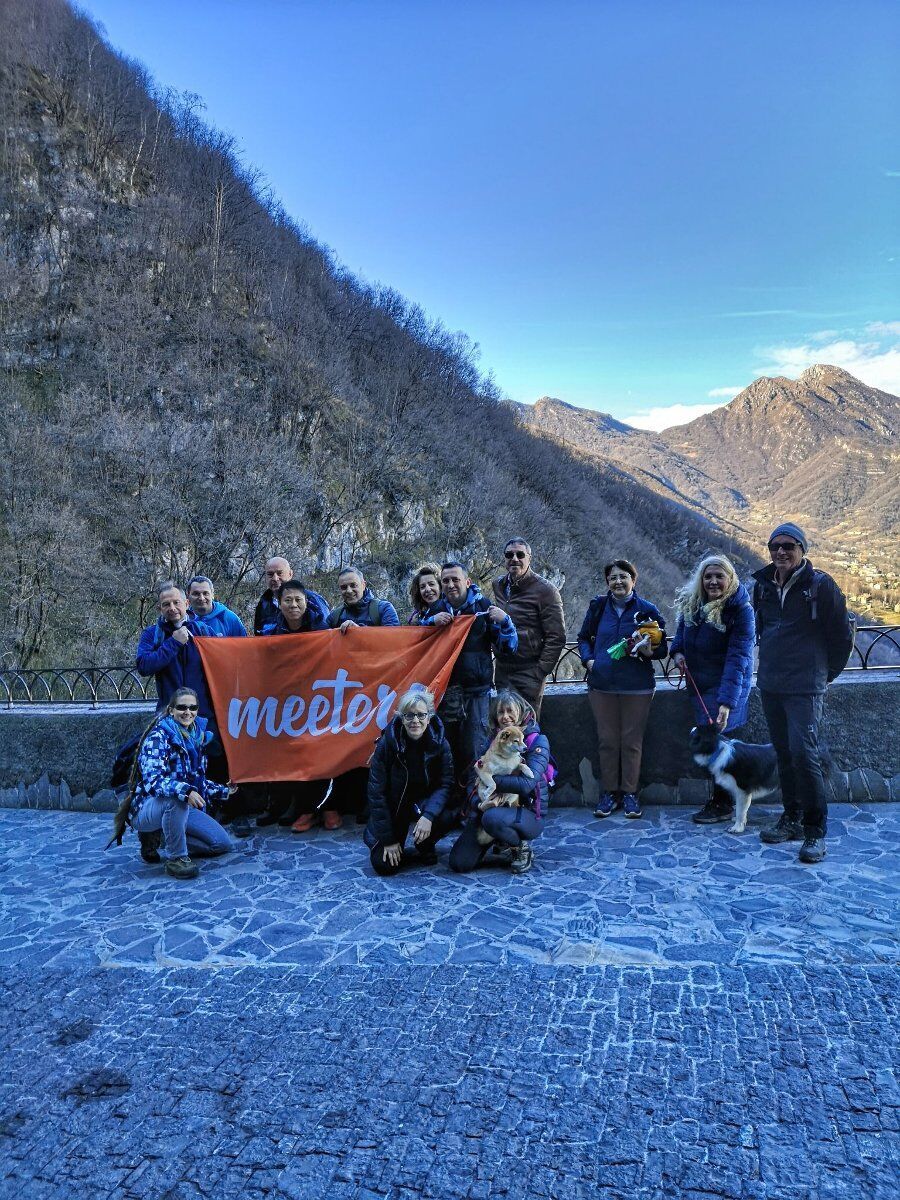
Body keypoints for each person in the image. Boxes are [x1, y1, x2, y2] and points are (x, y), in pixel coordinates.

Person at [752, 523, 853, 864]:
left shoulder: (821, 586)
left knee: (803, 754)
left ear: (802, 549)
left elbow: (842, 639)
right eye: (775, 546)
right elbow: (763, 630)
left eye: (789, 546)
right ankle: (791, 818)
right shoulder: (763, 586)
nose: (781, 551)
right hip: (771, 683)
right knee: (783, 754)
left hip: (804, 688)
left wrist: (823, 677)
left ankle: (814, 831)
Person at [577, 559, 668, 819]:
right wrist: (589, 660)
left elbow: (662, 647)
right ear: (607, 582)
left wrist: (650, 651)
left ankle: (629, 793)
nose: (618, 581)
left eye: (623, 577)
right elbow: (584, 637)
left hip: (636, 686)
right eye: (613, 578)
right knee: (607, 741)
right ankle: (609, 793)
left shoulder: (647, 610)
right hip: (602, 684)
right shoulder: (598, 607)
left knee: (631, 741)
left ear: (633, 581)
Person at [669, 555, 755, 824]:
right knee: (713, 745)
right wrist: (678, 653)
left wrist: (727, 702)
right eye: (708, 576)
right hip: (701, 685)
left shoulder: (740, 611)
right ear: (701, 580)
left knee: (724, 748)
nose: (714, 581)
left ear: (730, 579)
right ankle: (721, 801)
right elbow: (681, 634)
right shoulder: (693, 604)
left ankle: (724, 803)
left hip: (728, 686)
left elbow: (738, 658)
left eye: (720, 576)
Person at [420, 561, 518, 797]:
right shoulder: (435, 611)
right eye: (446, 581)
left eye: (455, 579)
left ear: (467, 582)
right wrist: (430, 623)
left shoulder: (483, 608)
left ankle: (475, 801)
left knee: (477, 748)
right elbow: (418, 640)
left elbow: (508, 648)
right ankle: (451, 799)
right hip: (447, 692)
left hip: (478, 690)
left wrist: (505, 622)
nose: (451, 585)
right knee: (448, 749)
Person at [120, 688, 233, 879]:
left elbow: (198, 781)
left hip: (180, 806)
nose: (187, 712)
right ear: (171, 710)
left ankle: (165, 835)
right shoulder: (158, 737)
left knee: (221, 844)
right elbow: (153, 780)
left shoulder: (197, 736)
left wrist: (225, 791)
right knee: (176, 799)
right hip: (149, 806)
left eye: (193, 707)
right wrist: (186, 791)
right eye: (182, 707)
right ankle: (176, 858)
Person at [258, 580, 337, 831]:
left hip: (322, 699)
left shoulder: (323, 627)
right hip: (290, 702)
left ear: (306, 602)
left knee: (326, 751)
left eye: (298, 600)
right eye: (288, 601)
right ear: (279, 604)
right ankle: (306, 810)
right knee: (297, 753)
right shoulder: (273, 633)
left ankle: (329, 806)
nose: (293, 605)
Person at [449, 689, 551, 875]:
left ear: (520, 712)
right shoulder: (490, 741)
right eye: (501, 712)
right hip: (489, 807)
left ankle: (519, 846)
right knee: (459, 862)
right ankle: (498, 838)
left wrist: (489, 779)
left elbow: (527, 784)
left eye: (510, 711)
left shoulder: (537, 741)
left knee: (492, 818)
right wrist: (479, 804)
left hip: (526, 811)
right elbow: (473, 779)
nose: (506, 717)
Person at [364, 688, 456, 875]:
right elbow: (376, 794)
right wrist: (389, 840)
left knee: (449, 813)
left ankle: (425, 842)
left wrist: (429, 815)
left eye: (421, 715)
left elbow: (446, 784)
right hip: (395, 806)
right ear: (401, 717)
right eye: (409, 715)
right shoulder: (386, 745)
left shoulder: (441, 743)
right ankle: (397, 840)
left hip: (424, 804)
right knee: (384, 867)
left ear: (429, 717)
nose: (415, 721)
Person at [492, 537, 566, 715]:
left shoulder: (546, 590)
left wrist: (540, 672)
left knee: (527, 728)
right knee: (504, 729)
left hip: (528, 671)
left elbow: (557, 636)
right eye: (509, 554)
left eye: (520, 554)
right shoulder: (499, 585)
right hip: (502, 670)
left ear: (529, 558)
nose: (514, 558)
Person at [136, 581, 217, 719]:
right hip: (169, 715)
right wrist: (174, 643)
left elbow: (221, 663)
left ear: (186, 604)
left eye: (176, 602)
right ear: (159, 608)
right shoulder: (152, 634)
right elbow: (144, 666)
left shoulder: (203, 630)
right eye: (166, 604)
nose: (172, 608)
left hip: (202, 715)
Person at [253, 557, 330, 635]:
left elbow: (327, 632)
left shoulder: (312, 599)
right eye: (270, 574)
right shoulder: (264, 603)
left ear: (290, 574)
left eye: (280, 573)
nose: (275, 578)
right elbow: (259, 635)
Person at [327, 566, 400, 630]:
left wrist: (359, 631)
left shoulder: (384, 609)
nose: (349, 591)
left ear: (363, 585)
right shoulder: (334, 616)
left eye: (353, 585)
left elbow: (392, 640)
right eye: (344, 587)